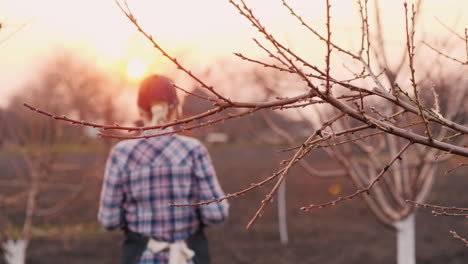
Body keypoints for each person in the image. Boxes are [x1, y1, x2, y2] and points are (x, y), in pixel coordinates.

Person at [98, 74, 229, 264]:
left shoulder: (121, 154)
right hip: (188, 257)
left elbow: (109, 220)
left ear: (141, 110)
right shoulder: (194, 151)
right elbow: (216, 215)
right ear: (175, 108)